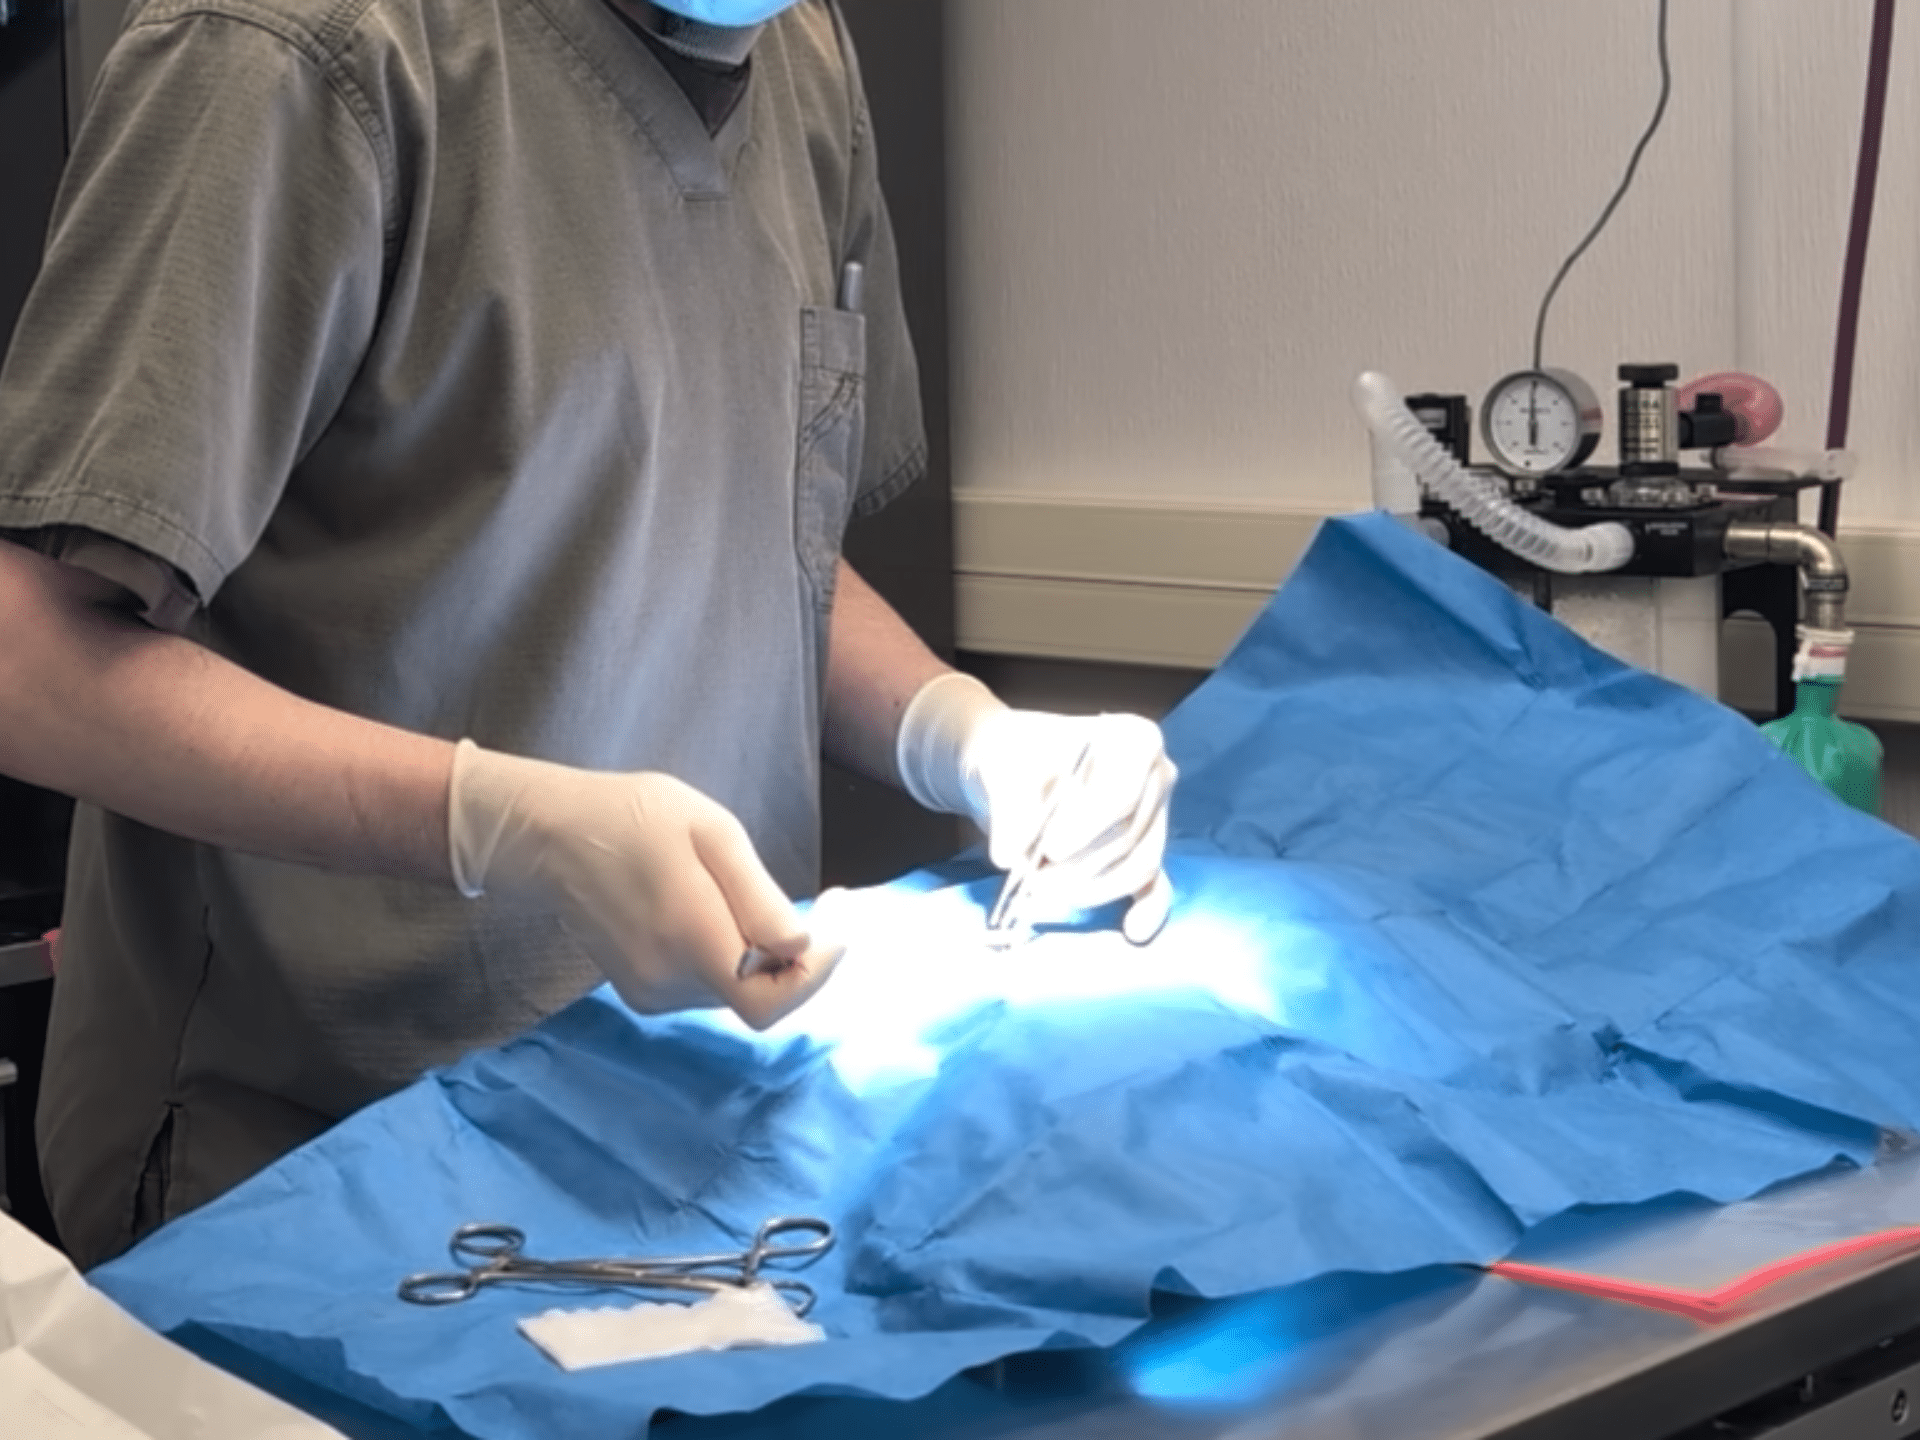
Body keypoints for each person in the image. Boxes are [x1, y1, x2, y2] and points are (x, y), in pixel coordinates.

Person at [0, 0, 1175, 1270]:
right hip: (325, 1146)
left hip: (697, 1111)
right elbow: (31, 657)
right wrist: (500, 820)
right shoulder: (297, 51)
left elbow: (736, 525)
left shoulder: (802, 55)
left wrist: (964, 736)